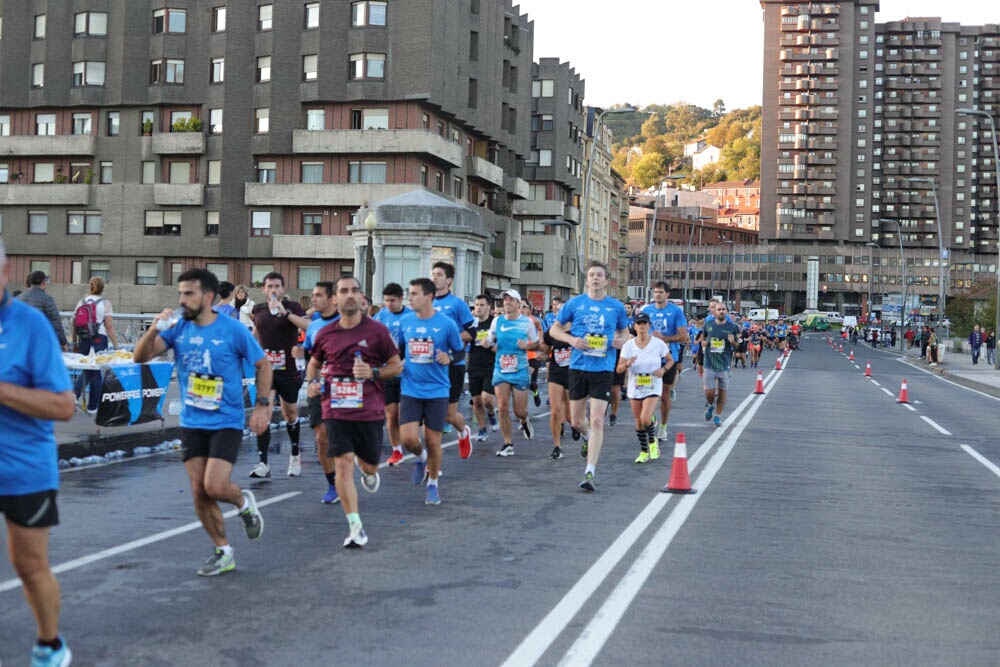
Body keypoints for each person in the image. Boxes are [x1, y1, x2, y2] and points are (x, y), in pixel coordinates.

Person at [133, 268, 270, 576]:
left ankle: (242, 501)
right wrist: (154, 329)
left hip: (226, 419)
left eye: (189, 294)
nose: (182, 300)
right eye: (180, 293)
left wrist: (262, 407)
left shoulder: (232, 330)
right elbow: (138, 358)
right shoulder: (177, 327)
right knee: (199, 491)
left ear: (208, 297)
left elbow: (263, 365)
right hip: (193, 420)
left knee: (215, 485)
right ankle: (223, 551)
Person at [0, 240, 77, 667]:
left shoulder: (29, 326)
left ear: (6, 273)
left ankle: (50, 644)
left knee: (28, 564)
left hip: (23, 468)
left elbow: (63, 406)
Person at [307, 277, 402, 548]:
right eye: (343, 291)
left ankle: (370, 471)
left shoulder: (377, 332)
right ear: (335, 298)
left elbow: (396, 366)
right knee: (342, 465)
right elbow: (313, 364)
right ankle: (355, 526)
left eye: (354, 290)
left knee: (368, 465)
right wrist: (313, 383)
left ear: (361, 296)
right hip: (335, 409)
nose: (349, 295)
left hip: (369, 411)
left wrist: (373, 372)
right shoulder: (325, 334)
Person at [549, 261, 629, 492]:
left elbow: (625, 331)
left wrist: (620, 340)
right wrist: (572, 340)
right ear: (587, 280)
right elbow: (554, 329)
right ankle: (587, 437)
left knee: (596, 420)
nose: (595, 278)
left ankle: (590, 471)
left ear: (606, 280)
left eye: (599, 275)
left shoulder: (615, 307)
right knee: (575, 421)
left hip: (603, 369)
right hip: (578, 366)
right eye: (591, 275)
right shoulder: (575, 304)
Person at [394, 278, 466, 505]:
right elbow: (399, 350)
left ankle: (433, 484)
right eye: (409, 293)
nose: (410, 298)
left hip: (437, 390)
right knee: (408, 439)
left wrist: (450, 357)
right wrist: (398, 363)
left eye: (414, 293)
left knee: (433, 440)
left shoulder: (446, 324)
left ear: (429, 296)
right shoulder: (405, 322)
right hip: (410, 388)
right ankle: (420, 458)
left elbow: (460, 352)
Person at [249, 273, 309, 478]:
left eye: (277, 286)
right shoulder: (258, 309)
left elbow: (307, 327)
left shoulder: (293, 307)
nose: (273, 289)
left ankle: (294, 456)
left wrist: (287, 314)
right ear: (264, 290)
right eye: (269, 286)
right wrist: (247, 350)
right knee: (263, 414)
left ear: (283, 289)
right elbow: (256, 333)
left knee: (290, 414)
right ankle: (263, 463)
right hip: (267, 371)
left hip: (289, 370)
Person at [298, 282, 341, 503]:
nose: (314, 299)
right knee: (321, 437)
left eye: (319, 296)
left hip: (345, 391)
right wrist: (312, 381)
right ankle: (332, 483)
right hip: (320, 389)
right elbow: (310, 360)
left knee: (343, 439)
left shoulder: (348, 323)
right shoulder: (313, 327)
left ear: (332, 299)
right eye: (313, 295)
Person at [483, 290, 539, 457]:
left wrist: (527, 346)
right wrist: (486, 343)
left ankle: (524, 420)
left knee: (519, 410)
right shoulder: (497, 321)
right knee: (502, 406)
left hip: (520, 369)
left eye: (510, 300)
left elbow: (537, 345)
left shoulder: (526, 323)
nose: (506, 303)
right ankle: (508, 443)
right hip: (501, 369)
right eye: (505, 300)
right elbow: (490, 338)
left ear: (518, 303)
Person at [429, 262, 474, 455]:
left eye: (439, 274)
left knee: (448, 415)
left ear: (448, 280)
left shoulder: (457, 304)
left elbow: (472, 331)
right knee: (431, 413)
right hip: (430, 365)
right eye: (433, 274)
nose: (435, 277)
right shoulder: (427, 303)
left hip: (454, 363)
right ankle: (432, 461)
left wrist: (450, 336)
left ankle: (463, 431)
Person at [617, 312, 673, 464]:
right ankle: (643, 451)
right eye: (639, 323)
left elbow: (670, 360)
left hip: (653, 384)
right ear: (634, 326)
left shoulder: (657, 344)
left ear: (649, 325)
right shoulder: (628, 346)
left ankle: (653, 443)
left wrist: (663, 370)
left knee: (645, 417)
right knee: (639, 421)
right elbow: (619, 369)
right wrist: (627, 363)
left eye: (644, 323)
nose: (641, 326)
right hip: (635, 386)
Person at [371, 282, 414, 466]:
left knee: (403, 415)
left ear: (401, 299)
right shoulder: (380, 316)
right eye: (386, 300)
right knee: (390, 414)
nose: (389, 304)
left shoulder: (411, 316)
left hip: (407, 371)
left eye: (393, 300)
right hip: (387, 370)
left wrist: (407, 358)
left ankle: (414, 444)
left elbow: (416, 341)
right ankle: (396, 450)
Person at [640, 282, 688, 442]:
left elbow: (683, 336)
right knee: (646, 392)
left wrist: (664, 338)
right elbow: (638, 332)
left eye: (660, 292)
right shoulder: (646, 310)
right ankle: (650, 418)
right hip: (649, 358)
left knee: (665, 395)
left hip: (668, 356)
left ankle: (663, 427)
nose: (657, 295)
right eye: (655, 292)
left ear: (667, 294)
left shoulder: (675, 311)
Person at [71, 277, 119, 415]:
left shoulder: (82, 302)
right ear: (103, 288)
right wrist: (116, 346)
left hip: (83, 338)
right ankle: (93, 406)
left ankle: (75, 394)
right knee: (96, 370)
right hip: (99, 338)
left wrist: (74, 341)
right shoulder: (105, 303)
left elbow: (74, 322)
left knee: (87, 369)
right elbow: (109, 327)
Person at [467, 294, 499, 443]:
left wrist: (492, 345)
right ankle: (482, 429)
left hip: (490, 365)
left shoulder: (495, 324)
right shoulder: (472, 325)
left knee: (486, 398)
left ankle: (492, 413)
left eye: (481, 305)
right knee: (477, 400)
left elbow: (501, 344)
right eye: (476, 305)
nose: (478, 308)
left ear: (489, 307)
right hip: (474, 365)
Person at [702, 301, 740, 427]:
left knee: (723, 391)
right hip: (709, 362)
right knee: (709, 392)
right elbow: (703, 337)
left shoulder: (732, 326)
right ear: (715, 312)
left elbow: (737, 345)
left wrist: (733, 341)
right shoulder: (708, 324)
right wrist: (704, 343)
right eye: (719, 309)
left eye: (723, 309)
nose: (721, 311)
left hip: (724, 363)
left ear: (726, 311)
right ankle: (710, 405)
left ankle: (717, 416)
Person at [17, 270, 69, 351]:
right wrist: (63, 342)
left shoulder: (19, 298)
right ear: (43, 282)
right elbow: (56, 323)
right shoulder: (47, 299)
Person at [520, 300, 545, 408]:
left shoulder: (534, 320)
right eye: (519, 306)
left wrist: (539, 341)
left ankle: (535, 394)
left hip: (532, 356)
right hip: (520, 356)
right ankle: (522, 410)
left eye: (524, 306)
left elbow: (540, 330)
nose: (521, 309)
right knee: (523, 383)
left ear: (529, 309)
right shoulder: (514, 320)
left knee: (532, 384)